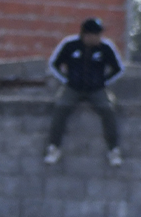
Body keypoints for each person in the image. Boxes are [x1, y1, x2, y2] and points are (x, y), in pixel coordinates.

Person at [45, 17, 125, 167]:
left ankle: (113, 150)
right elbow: (54, 64)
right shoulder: (70, 45)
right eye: (96, 35)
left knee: (108, 109)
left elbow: (118, 68)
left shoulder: (105, 47)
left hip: (96, 89)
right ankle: (54, 147)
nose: (99, 38)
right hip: (73, 87)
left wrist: (104, 82)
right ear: (86, 35)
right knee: (60, 107)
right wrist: (66, 80)